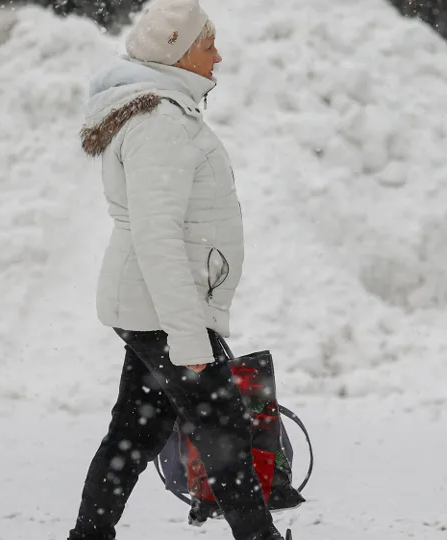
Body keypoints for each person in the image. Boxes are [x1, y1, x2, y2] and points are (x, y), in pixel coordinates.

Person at [69, 1, 293, 539]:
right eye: (208, 44)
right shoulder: (160, 121)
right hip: (164, 310)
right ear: (179, 51)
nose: (219, 55)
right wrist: (187, 332)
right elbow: (156, 235)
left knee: (136, 431)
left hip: (154, 306)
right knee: (223, 433)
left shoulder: (164, 112)